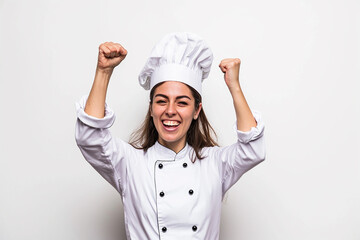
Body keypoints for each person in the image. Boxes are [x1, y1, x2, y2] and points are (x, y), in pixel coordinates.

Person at [75, 32, 266, 240]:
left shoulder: (215, 163)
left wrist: (235, 87)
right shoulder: (130, 163)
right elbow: (90, 137)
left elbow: (252, 150)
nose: (170, 111)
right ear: (151, 108)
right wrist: (103, 72)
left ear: (196, 110)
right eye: (161, 101)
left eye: (182, 102)